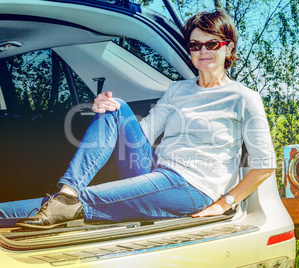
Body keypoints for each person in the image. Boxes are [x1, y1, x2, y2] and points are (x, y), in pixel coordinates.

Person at [0, 10, 276, 229]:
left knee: (85, 201)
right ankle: (68, 191)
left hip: (192, 188)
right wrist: (106, 109)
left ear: (228, 49)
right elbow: (141, 133)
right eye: (195, 45)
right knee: (116, 105)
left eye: (212, 43)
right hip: (157, 171)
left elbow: (264, 166)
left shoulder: (243, 98)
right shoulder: (178, 89)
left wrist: (224, 204)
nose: (203, 51)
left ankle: (64, 202)